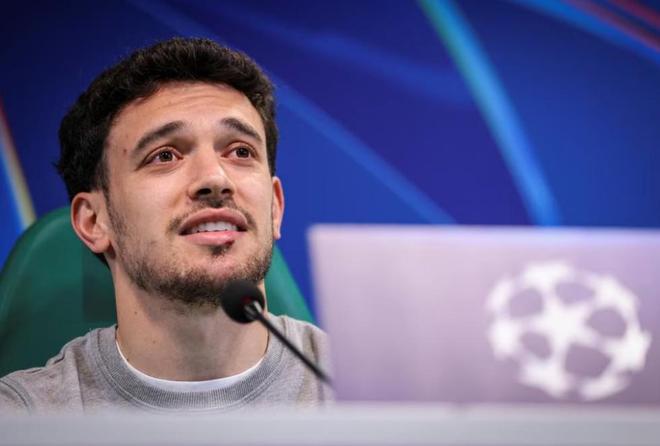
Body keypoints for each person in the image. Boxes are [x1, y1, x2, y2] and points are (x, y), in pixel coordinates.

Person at [0, 37, 331, 414]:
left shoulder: (372, 394)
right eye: (164, 156)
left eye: (240, 151)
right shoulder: (19, 420)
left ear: (275, 207)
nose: (215, 178)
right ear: (93, 221)